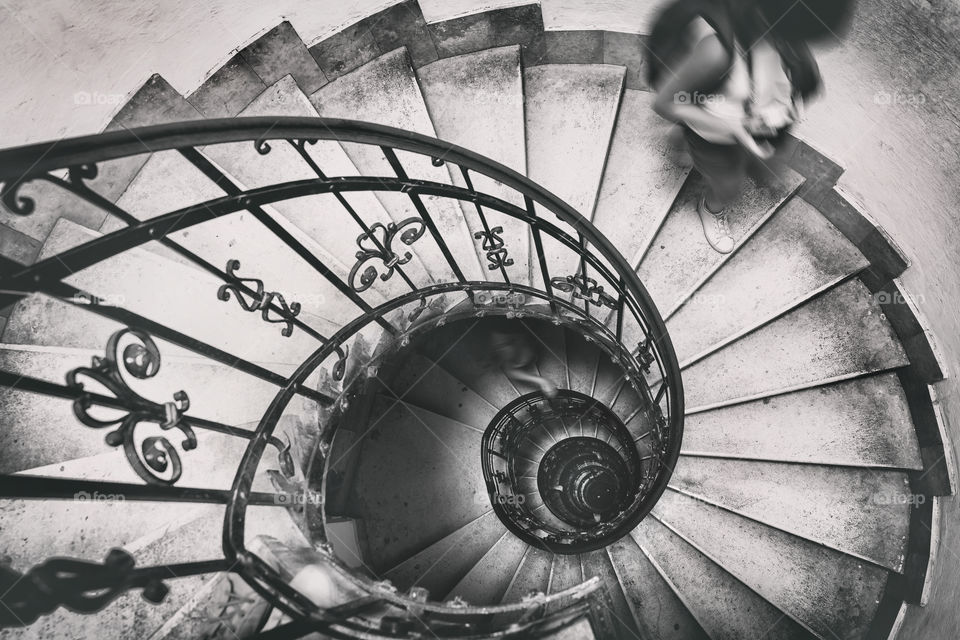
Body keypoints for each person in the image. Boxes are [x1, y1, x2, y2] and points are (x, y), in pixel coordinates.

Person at [647, 0, 856, 253]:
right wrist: (735, 128)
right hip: (714, 137)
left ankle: (682, 136)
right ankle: (711, 209)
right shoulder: (717, 51)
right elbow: (665, 103)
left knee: (765, 171)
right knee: (727, 186)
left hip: (749, 126)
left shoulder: (784, 38)